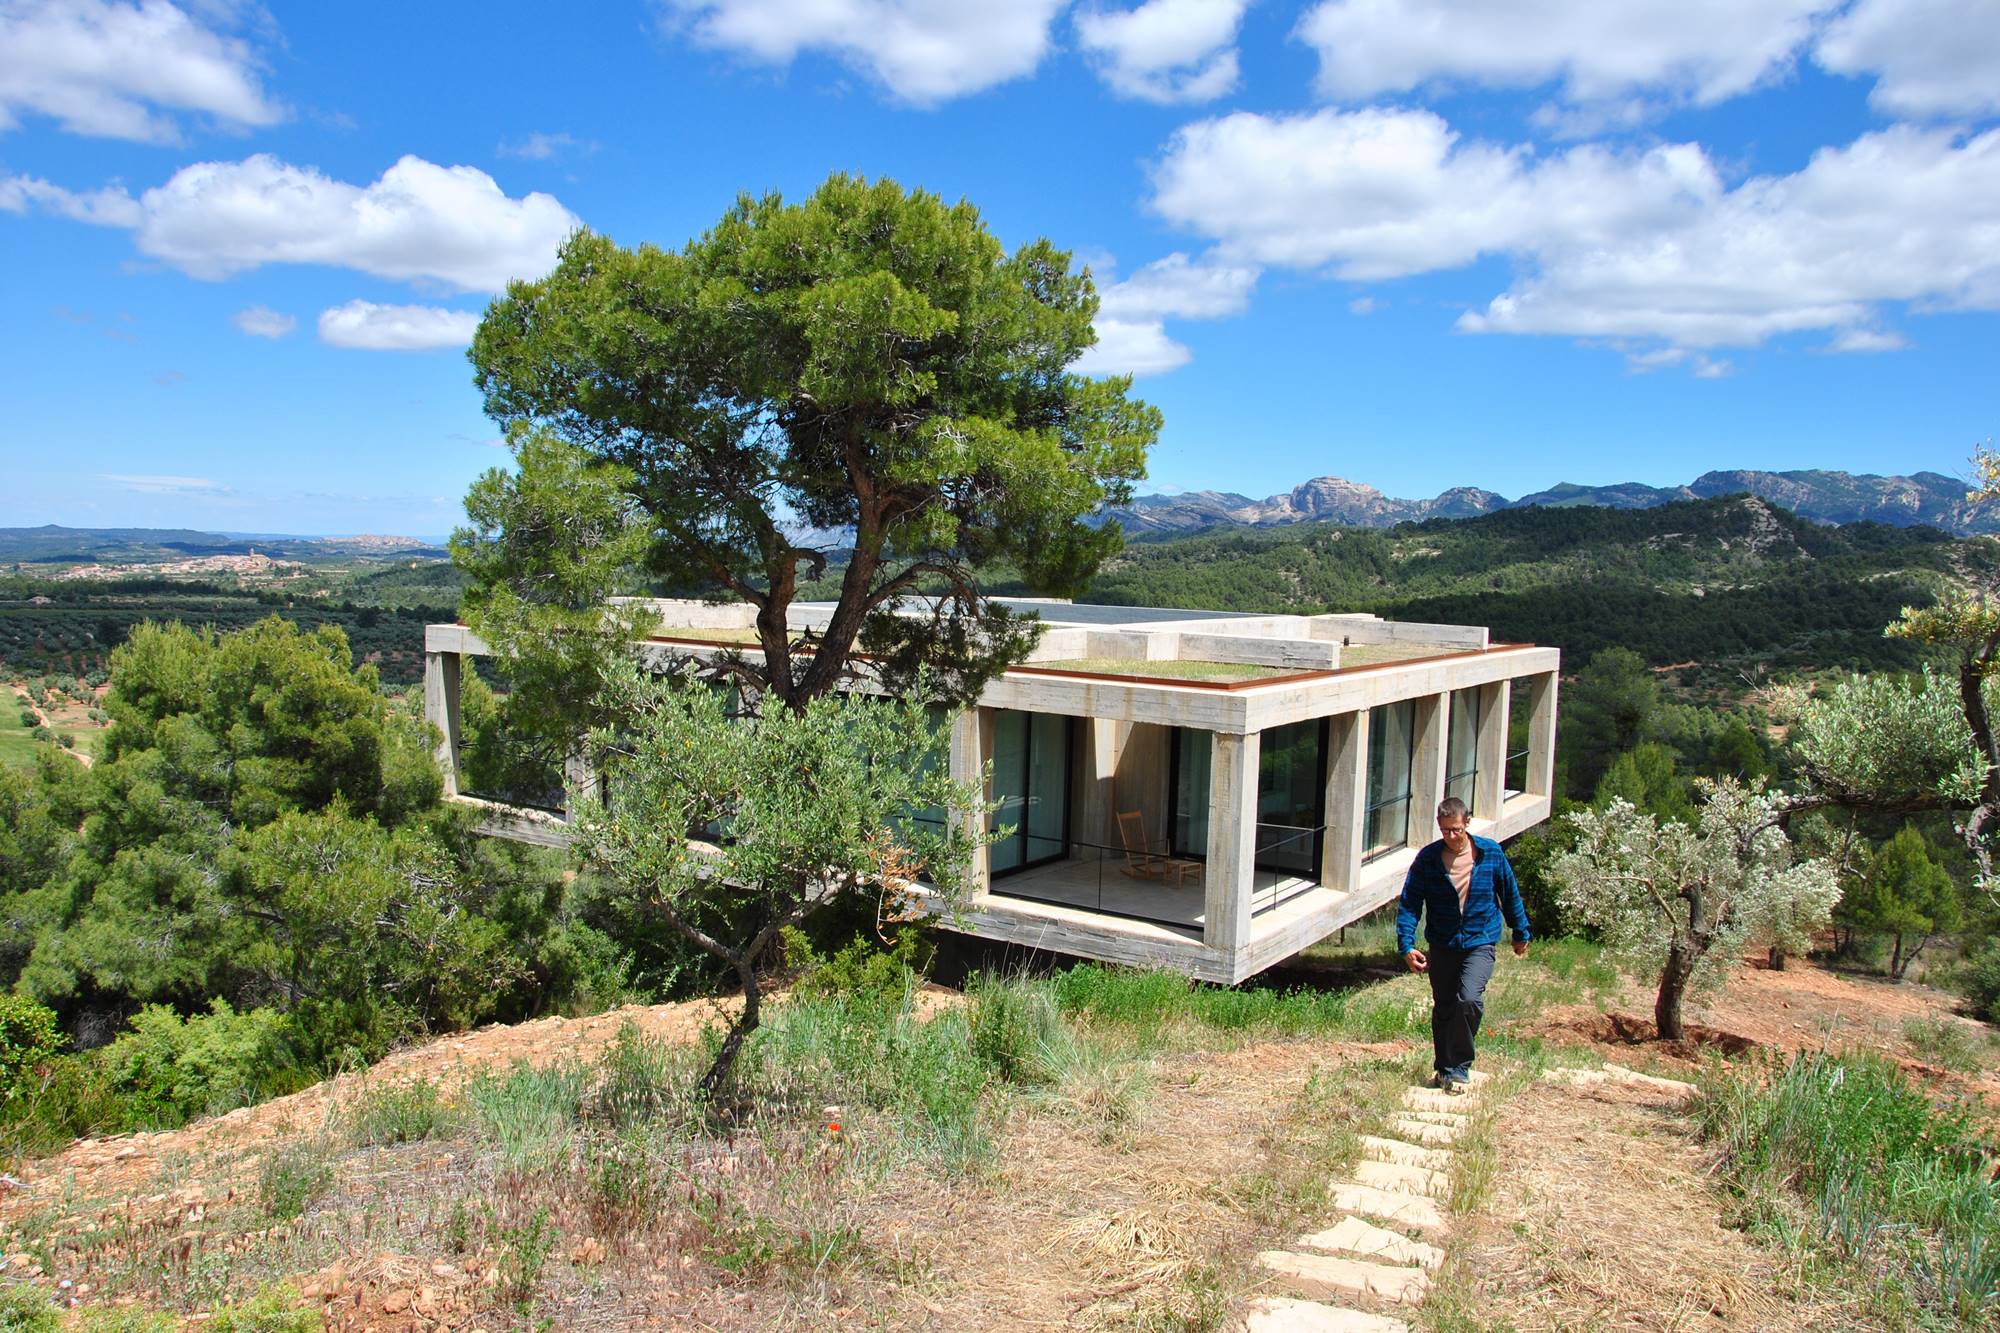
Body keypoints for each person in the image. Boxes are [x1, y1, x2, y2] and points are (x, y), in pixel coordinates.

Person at [1395, 796, 1532, 1094]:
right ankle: (1445, 1069)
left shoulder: (1490, 853)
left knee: (1468, 999)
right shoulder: (1428, 859)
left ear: (1467, 823)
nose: (1451, 836)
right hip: (1443, 943)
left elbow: (1509, 894)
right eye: (1445, 830)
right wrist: (1406, 945)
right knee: (1445, 1005)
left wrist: (1520, 932)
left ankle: (1459, 1065)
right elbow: (1410, 903)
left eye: (1456, 829)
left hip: (1480, 940)